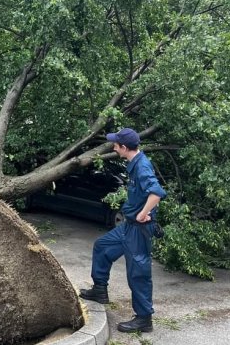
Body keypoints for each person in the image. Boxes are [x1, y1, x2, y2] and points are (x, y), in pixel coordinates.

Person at [79, 127, 166, 333]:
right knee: (102, 247)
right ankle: (100, 290)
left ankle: (144, 319)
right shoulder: (134, 163)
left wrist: (144, 213)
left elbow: (156, 193)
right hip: (128, 226)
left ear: (124, 147)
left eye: (115, 145)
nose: (114, 148)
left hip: (138, 230)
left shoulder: (142, 166)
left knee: (138, 273)